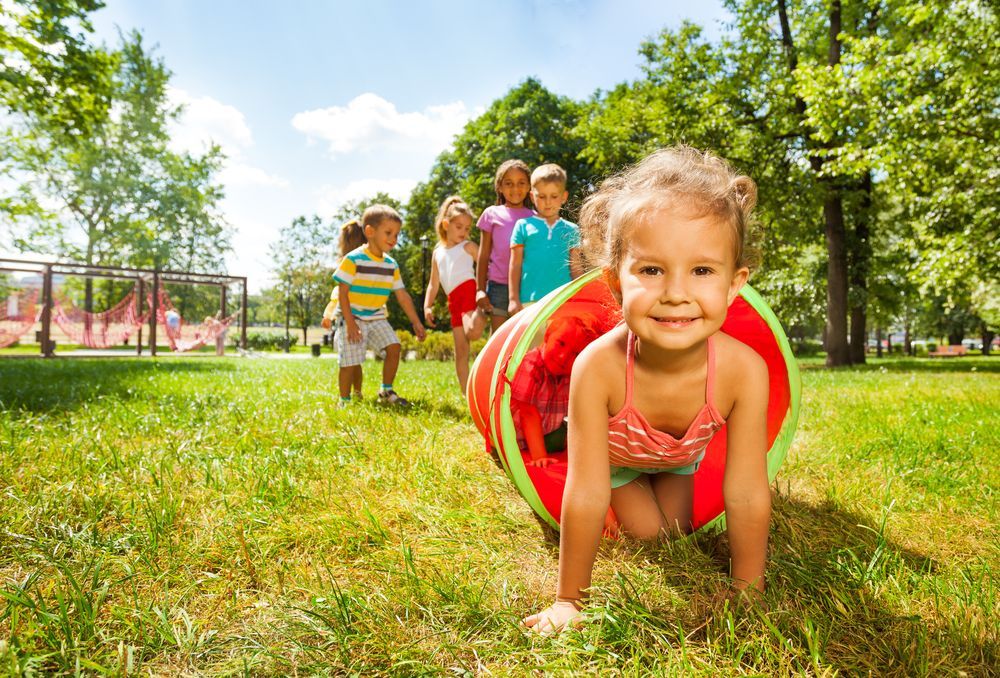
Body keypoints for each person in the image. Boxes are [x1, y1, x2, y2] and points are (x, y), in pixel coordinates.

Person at [522, 146, 770, 634]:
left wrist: (748, 586)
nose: (676, 292)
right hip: (617, 463)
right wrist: (569, 600)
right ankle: (633, 497)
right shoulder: (599, 367)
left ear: (734, 284)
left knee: (679, 534)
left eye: (702, 270)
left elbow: (746, 491)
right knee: (654, 537)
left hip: (678, 456)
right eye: (651, 270)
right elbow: (586, 489)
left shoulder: (745, 370)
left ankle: (654, 489)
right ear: (615, 282)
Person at [332, 205, 426, 407]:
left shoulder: (391, 265)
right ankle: (345, 401)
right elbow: (342, 293)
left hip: (376, 316)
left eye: (397, 234)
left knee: (394, 347)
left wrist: (416, 322)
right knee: (349, 361)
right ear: (370, 232)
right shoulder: (353, 259)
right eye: (389, 233)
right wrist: (349, 323)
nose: (394, 238)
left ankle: (386, 391)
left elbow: (402, 295)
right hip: (352, 317)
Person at [510, 313, 603, 467]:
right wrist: (540, 458)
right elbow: (528, 413)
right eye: (561, 343)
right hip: (517, 438)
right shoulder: (531, 365)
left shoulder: (572, 374)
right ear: (547, 336)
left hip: (550, 434)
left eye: (576, 353)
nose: (563, 356)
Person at [422, 196, 487, 392]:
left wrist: (485, 290)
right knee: (461, 351)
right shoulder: (437, 253)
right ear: (445, 224)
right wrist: (427, 306)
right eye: (459, 226)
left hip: (467, 291)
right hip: (453, 301)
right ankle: (467, 394)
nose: (464, 232)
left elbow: (486, 265)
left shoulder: (468, 246)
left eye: (468, 228)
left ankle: (483, 312)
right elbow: (433, 284)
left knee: (473, 333)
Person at [508, 163, 584, 315]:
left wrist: (582, 297)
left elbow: (576, 267)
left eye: (554, 196)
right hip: (530, 302)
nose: (548, 202)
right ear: (532, 196)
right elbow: (515, 265)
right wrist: (513, 299)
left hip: (564, 301)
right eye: (542, 196)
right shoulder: (522, 226)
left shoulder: (572, 229)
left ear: (564, 197)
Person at [475, 159, 534, 332]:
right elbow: (483, 254)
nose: (515, 188)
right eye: (509, 183)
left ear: (530, 187)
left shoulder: (534, 217)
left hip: (526, 287)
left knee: (522, 337)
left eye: (521, 183)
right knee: (499, 338)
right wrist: (480, 290)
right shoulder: (491, 214)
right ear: (499, 187)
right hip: (498, 285)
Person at [323, 218, 368, 399]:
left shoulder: (347, 263)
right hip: (363, 318)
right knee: (355, 362)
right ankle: (357, 392)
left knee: (346, 362)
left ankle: (345, 397)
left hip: (347, 320)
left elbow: (339, 296)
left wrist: (328, 315)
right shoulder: (368, 262)